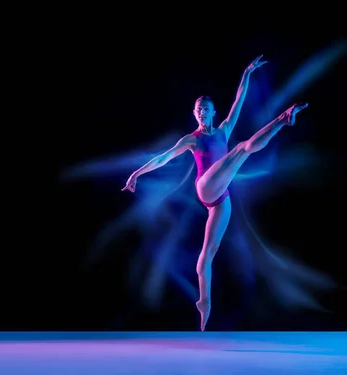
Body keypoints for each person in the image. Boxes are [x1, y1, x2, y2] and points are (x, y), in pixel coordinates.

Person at [122, 55, 308, 331]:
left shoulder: (223, 130)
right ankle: (283, 119)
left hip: (221, 199)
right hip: (206, 186)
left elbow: (239, 101)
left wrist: (247, 72)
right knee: (241, 149)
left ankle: (204, 301)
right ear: (195, 113)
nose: (201, 112)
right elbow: (163, 158)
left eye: (206, 108)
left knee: (210, 251)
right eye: (198, 109)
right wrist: (137, 173)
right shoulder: (192, 139)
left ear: (213, 111)